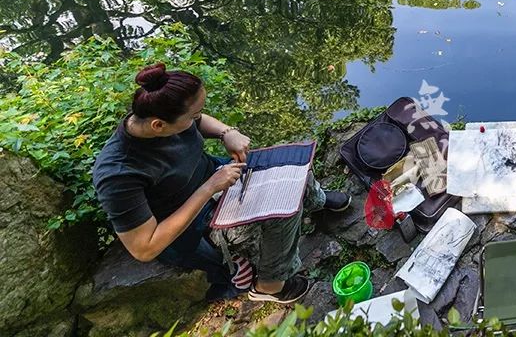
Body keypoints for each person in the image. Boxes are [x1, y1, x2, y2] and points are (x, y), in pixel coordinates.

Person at [92, 63, 352, 304]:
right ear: (159, 126)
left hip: (218, 180)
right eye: (193, 116)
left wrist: (228, 133)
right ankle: (270, 286)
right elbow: (145, 247)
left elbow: (200, 121)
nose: (197, 119)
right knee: (282, 211)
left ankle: (314, 200)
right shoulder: (118, 173)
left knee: (288, 165)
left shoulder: (160, 112)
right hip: (195, 226)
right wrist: (209, 189)